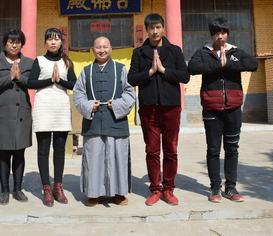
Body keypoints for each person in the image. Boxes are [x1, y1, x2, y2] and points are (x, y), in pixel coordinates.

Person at [187, 17, 258, 203]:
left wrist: (230, 64)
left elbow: (253, 64)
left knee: (232, 148)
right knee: (213, 149)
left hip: (233, 108)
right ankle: (215, 188)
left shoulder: (235, 52)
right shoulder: (204, 52)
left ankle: (231, 187)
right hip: (211, 108)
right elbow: (192, 68)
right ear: (212, 35)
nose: (221, 36)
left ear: (227, 34)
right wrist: (217, 64)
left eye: (224, 32)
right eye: (217, 33)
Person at [127, 13, 190, 206]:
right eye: (151, 28)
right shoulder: (139, 52)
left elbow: (185, 76)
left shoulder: (174, 51)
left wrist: (164, 71)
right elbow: (131, 79)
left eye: (158, 27)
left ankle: (168, 188)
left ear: (163, 28)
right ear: (147, 30)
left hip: (171, 108)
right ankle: (155, 188)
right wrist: (150, 72)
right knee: (152, 150)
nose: (155, 31)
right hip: (148, 109)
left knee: (171, 149)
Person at [74, 36, 135, 207]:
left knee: (117, 158)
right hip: (93, 122)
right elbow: (78, 94)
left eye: (105, 47)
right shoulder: (86, 71)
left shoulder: (121, 69)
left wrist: (116, 104)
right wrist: (87, 105)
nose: (102, 50)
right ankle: (95, 194)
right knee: (94, 158)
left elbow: (130, 93)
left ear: (111, 48)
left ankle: (118, 193)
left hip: (116, 120)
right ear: (93, 50)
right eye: (98, 47)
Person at [27, 28, 76, 207]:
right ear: (45, 42)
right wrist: (50, 80)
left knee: (60, 149)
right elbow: (30, 83)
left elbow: (74, 84)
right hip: (44, 107)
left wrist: (59, 81)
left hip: (61, 107)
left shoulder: (67, 62)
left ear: (61, 42)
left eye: (57, 39)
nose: (53, 42)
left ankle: (58, 186)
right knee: (43, 149)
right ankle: (46, 188)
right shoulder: (38, 61)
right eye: (50, 39)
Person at [0, 29, 33, 205]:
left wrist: (19, 78)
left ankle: (18, 189)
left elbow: (32, 83)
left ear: (22, 44)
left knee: (20, 153)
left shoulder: (29, 62)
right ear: (5, 43)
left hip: (22, 113)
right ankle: (4, 190)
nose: (14, 44)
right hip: (3, 114)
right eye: (11, 41)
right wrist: (9, 76)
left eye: (18, 41)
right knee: (4, 153)